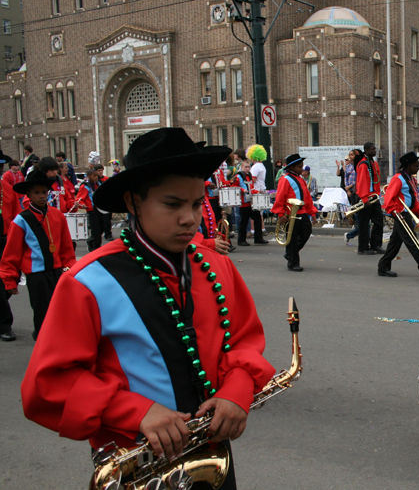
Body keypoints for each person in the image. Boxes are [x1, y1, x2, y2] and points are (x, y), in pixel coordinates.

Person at [20, 128, 274, 490]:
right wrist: (135, 411)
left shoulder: (218, 267)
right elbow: (47, 385)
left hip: (212, 458)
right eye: (173, 204)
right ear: (134, 201)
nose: (190, 218)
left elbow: (244, 343)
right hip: (138, 466)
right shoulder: (87, 282)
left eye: (195, 203)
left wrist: (236, 391)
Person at [0, 170, 76, 340]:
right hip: (36, 275)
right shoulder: (21, 220)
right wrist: (10, 278)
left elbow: (66, 248)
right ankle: (43, 342)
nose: (41, 196)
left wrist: (70, 269)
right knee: (42, 312)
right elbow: (12, 253)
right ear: (28, 194)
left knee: (61, 311)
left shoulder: (57, 215)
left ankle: (57, 342)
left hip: (57, 272)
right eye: (36, 193)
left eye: (44, 192)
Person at [377, 152, 419, 280]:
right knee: (412, 241)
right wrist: (395, 212)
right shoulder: (398, 178)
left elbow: (413, 198)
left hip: (407, 212)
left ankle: (383, 266)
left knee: (395, 242)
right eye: (416, 165)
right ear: (409, 165)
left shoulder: (410, 178)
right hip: (400, 213)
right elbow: (389, 199)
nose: (418, 168)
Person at [273, 154, 318, 271]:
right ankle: (293, 263)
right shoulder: (285, 179)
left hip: (301, 212)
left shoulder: (301, 180)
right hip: (289, 214)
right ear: (291, 168)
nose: (302, 169)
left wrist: (312, 213)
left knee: (306, 232)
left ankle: (290, 253)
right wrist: (280, 214)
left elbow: (307, 197)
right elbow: (279, 198)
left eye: (302, 166)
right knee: (292, 239)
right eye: (299, 167)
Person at [0, 151, 20, 341]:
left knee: (9, 282)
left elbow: (16, 217)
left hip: (5, 240)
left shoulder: (7, 189)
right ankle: (5, 324)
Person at [356, 142, 384, 255]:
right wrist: (364, 198)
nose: (375, 150)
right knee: (364, 224)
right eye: (372, 149)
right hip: (366, 198)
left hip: (374, 197)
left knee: (378, 221)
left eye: (375, 148)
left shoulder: (373, 163)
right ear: (366, 151)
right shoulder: (363, 164)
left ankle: (376, 244)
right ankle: (363, 248)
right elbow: (361, 182)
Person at [232, 161, 266, 247]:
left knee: (257, 219)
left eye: (248, 167)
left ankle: (258, 238)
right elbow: (233, 186)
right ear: (242, 167)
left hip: (251, 201)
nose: (247, 169)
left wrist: (257, 191)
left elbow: (251, 188)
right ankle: (241, 240)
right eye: (246, 167)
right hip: (244, 203)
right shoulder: (238, 176)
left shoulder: (249, 176)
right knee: (243, 222)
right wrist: (242, 190)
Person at [74, 168, 104, 252]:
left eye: (97, 175)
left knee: (102, 227)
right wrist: (83, 205)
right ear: (89, 176)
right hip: (92, 210)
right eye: (94, 176)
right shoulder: (85, 186)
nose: (96, 177)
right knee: (96, 230)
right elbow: (79, 199)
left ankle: (91, 241)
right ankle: (95, 247)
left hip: (99, 209)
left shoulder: (98, 184)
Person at [343, 149, 362, 245]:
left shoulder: (359, 166)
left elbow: (359, 179)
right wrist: (348, 189)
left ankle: (350, 235)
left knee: (362, 221)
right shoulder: (349, 167)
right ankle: (351, 235)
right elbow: (346, 178)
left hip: (357, 190)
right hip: (352, 193)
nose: (350, 157)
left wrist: (350, 186)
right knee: (359, 217)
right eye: (349, 155)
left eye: (352, 155)